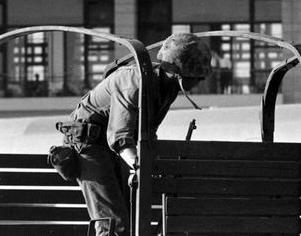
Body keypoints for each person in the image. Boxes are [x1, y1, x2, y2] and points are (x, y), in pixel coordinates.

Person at [56, 33, 212, 236]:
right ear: (178, 72)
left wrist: (156, 164)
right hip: (88, 143)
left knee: (130, 221)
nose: (199, 81)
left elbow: (147, 133)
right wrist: (141, 164)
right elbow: (120, 137)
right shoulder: (134, 81)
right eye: (195, 77)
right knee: (113, 224)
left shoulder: (168, 88)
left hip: (112, 146)